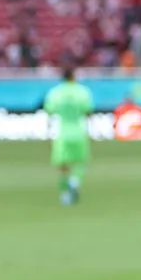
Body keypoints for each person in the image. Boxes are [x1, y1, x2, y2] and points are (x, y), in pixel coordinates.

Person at [43, 65, 93, 206]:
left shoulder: (55, 92)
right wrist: (92, 133)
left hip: (62, 132)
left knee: (63, 165)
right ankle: (74, 182)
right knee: (80, 162)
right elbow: (88, 113)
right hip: (78, 131)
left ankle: (66, 193)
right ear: (74, 76)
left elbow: (50, 113)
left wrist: (48, 134)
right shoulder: (83, 91)